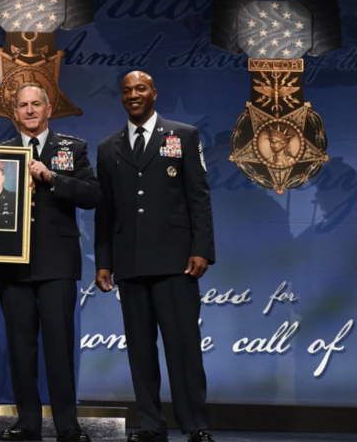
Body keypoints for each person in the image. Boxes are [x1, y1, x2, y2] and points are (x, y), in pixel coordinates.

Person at [93, 71, 215, 442]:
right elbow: (105, 211)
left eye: (140, 89)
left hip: (177, 261)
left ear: (154, 94)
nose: (133, 95)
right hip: (129, 263)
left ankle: (195, 425)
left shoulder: (183, 136)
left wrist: (201, 249)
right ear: (122, 98)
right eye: (127, 90)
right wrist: (103, 260)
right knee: (141, 352)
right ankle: (151, 424)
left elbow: (199, 196)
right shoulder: (107, 147)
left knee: (183, 349)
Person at [0, 83, 100, 442]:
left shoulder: (73, 148)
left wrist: (51, 178)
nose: (29, 110)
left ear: (48, 108)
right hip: (13, 263)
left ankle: (68, 424)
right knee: (20, 345)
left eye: (35, 104)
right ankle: (27, 422)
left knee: (59, 344)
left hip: (57, 262)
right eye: (22, 105)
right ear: (15, 113)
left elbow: (91, 194)